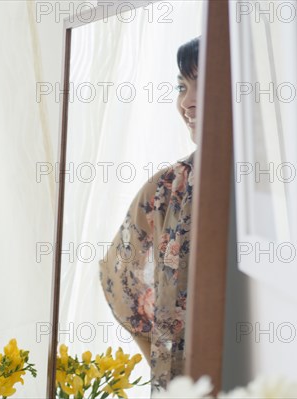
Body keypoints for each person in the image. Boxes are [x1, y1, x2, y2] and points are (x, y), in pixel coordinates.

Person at [99, 37, 199, 391]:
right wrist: (164, 360)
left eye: (204, 85)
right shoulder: (168, 188)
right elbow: (118, 277)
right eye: (182, 86)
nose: (187, 102)